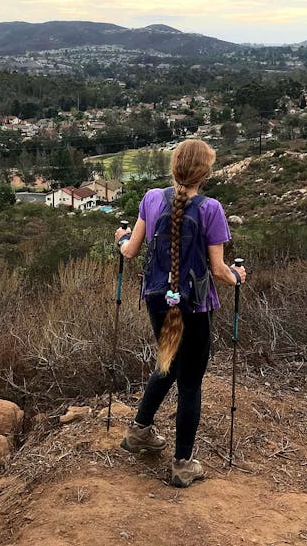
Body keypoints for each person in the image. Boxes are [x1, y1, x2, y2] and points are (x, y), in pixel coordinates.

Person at [114, 138, 246, 487]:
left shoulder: (151, 198)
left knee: (167, 361)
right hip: (193, 304)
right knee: (189, 380)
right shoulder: (210, 208)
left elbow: (130, 251)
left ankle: (140, 431)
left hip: (158, 298)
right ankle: (182, 464)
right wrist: (237, 275)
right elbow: (219, 271)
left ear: (174, 168)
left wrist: (121, 238)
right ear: (204, 172)